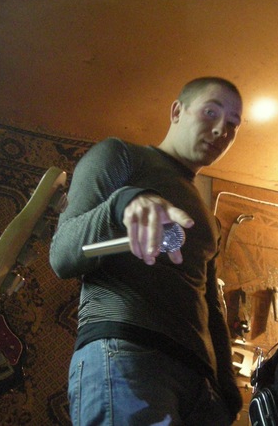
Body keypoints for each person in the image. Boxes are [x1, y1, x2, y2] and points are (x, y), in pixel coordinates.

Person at [49, 77, 244, 425]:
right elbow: (63, 255)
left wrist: (227, 389)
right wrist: (122, 203)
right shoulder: (121, 156)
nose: (221, 130)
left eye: (232, 123)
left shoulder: (207, 219)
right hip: (128, 354)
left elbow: (210, 302)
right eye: (211, 112)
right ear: (177, 112)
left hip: (201, 383)